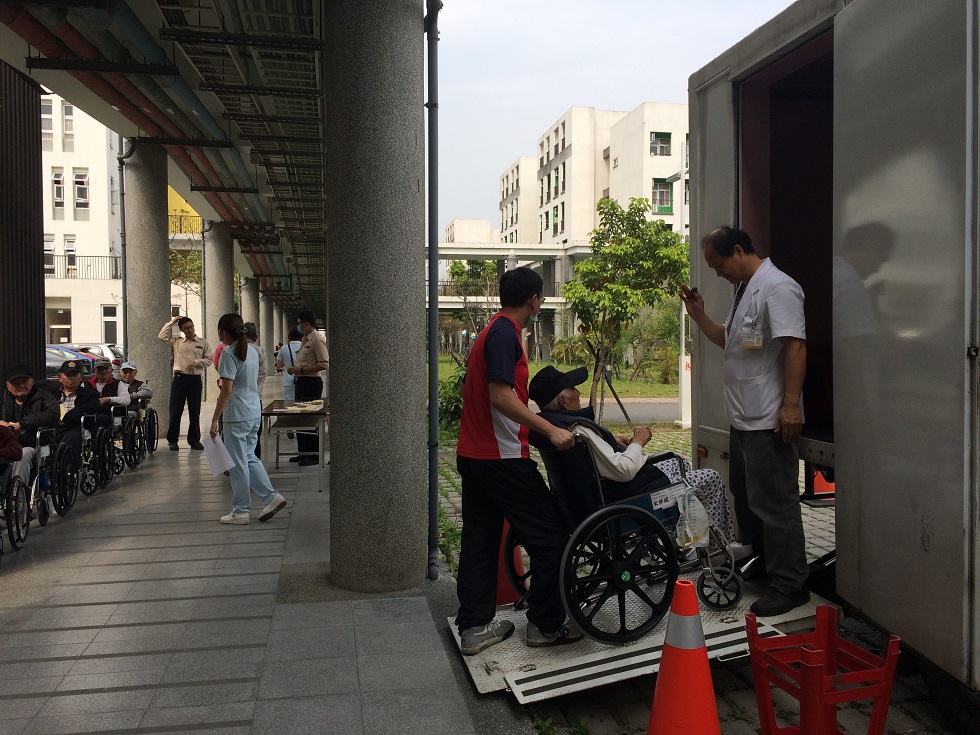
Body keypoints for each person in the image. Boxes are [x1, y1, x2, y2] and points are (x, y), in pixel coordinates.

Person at [681, 225, 809, 617]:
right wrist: (699, 316)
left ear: (738, 250)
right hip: (743, 418)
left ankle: (790, 584)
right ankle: (765, 567)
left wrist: (790, 406)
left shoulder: (778, 288)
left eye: (719, 265)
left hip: (768, 417)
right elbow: (732, 340)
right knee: (748, 497)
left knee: (776, 503)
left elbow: (796, 346)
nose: (719, 273)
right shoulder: (744, 292)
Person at [455, 266, 579, 656]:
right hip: (502, 459)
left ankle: (475, 627)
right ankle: (544, 625)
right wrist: (552, 429)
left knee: (480, 539)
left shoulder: (489, 331)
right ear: (534, 300)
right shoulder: (507, 333)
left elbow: (475, 390)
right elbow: (500, 395)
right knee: (552, 538)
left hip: (473, 454)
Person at [527, 365, 737, 543]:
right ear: (563, 401)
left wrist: (609, 441)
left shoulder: (551, 427)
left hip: (583, 502)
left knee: (678, 463)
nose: (579, 394)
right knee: (710, 478)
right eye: (573, 389)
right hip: (622, 496)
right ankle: (720, 549)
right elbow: (624, 470)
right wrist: (638, 442)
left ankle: (685, 538)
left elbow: (597, 455)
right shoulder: (578, 431)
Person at [210, 313, 287, 525]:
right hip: (253, 412)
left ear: (223, 332)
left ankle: (241, 510)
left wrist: (215, 419)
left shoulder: (228, 353)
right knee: (250, 457)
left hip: (235, 415)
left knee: (237, 463)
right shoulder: (253, 352)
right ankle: (271, 497)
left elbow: (226, 391)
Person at [159, 315, 213, 451]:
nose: (190, 330)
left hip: (194, 380)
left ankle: (194, 440)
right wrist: (173, 321)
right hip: (179, 379)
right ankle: (172, 440)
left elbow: (209, 360)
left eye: (191, 327)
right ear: (182, 330)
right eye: (186, 328)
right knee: (175, 410)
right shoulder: (177, 341)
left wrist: (196, 362)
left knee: (195, 411)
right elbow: (161, 335)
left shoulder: (202, 342)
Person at [0, 363, 60, 485]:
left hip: (36, 444)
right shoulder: (2, 398)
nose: (21, 385)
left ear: (32, 382)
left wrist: (22, 424)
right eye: (16, 383)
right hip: (8, 444)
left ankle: (18, 492)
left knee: (22, 454)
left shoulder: (45, 397)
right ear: (8, 385)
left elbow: (53, 415)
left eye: (25, 381)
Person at [285, 310, 329, 466]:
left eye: (299, 323)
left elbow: (324, 363)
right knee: (300, 416)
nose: (298, 326)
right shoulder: (304, 339)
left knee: (309, 418)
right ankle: (303, 452)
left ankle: (313, 455)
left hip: (311, 383)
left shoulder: (317, 340)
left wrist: (302, 370)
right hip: (301, 382)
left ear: (307, 323)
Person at [50, 359, 102, 457]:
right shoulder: (52, 394)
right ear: (60, 377)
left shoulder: (90, 394)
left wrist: (67, 418)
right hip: (54, 426)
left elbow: (92, 408)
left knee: (71, 437)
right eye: (68, 375)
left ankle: (70, 468)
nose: (71, 378)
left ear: (81, 377)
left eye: (74, 375)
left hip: (75, 426)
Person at [244, 322, 268, 459]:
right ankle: (255, 459)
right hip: (255, 398)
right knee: (254, 434)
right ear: (256, 337)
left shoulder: (230, 350)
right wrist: (254, 388)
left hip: (236, 399)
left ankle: (233, 466)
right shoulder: (260, 351)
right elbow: (263, 372)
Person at [276, 327, 303, 400]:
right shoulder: (304, 347)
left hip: (288, 381)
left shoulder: (284, 348)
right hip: (303, 379)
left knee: (289, 405)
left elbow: (279, 365)